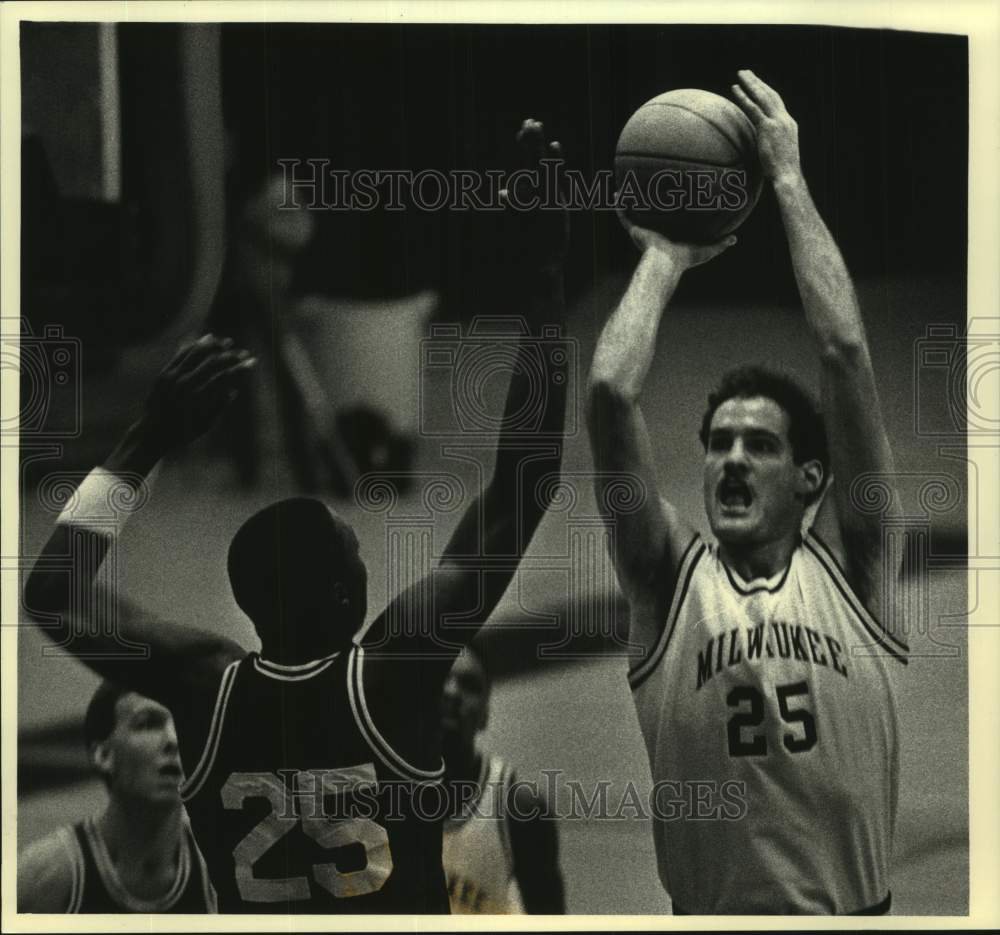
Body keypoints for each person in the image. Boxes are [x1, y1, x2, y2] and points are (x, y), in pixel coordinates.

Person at [22, 118, 568, 914]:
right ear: (349, 595)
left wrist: (144, 441)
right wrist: (545, 277)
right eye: (357, 554)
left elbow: (53, 595)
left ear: (249, 601)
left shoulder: (205, 682)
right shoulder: (392, 669)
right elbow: (528, 480)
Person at [586, 70, 908, 915]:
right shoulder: (665, 581)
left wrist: (790, 182)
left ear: (812, 480)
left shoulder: (855, 562)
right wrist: (663, 256)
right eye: (719, 442)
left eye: (759, 444)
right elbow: (610, 397)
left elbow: (844, 351)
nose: (730, 459)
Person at [17, 683, 216, 913]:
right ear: (103, 755)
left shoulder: (218, 864)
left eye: (183, 723)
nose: (173, 739)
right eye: (148, 724)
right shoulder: (47, 873)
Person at [440, 647, 565, 914]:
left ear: (485, 713)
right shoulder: (381, 793)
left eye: (470, 686)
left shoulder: (519, 807)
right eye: (441, 677)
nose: (452, 692)